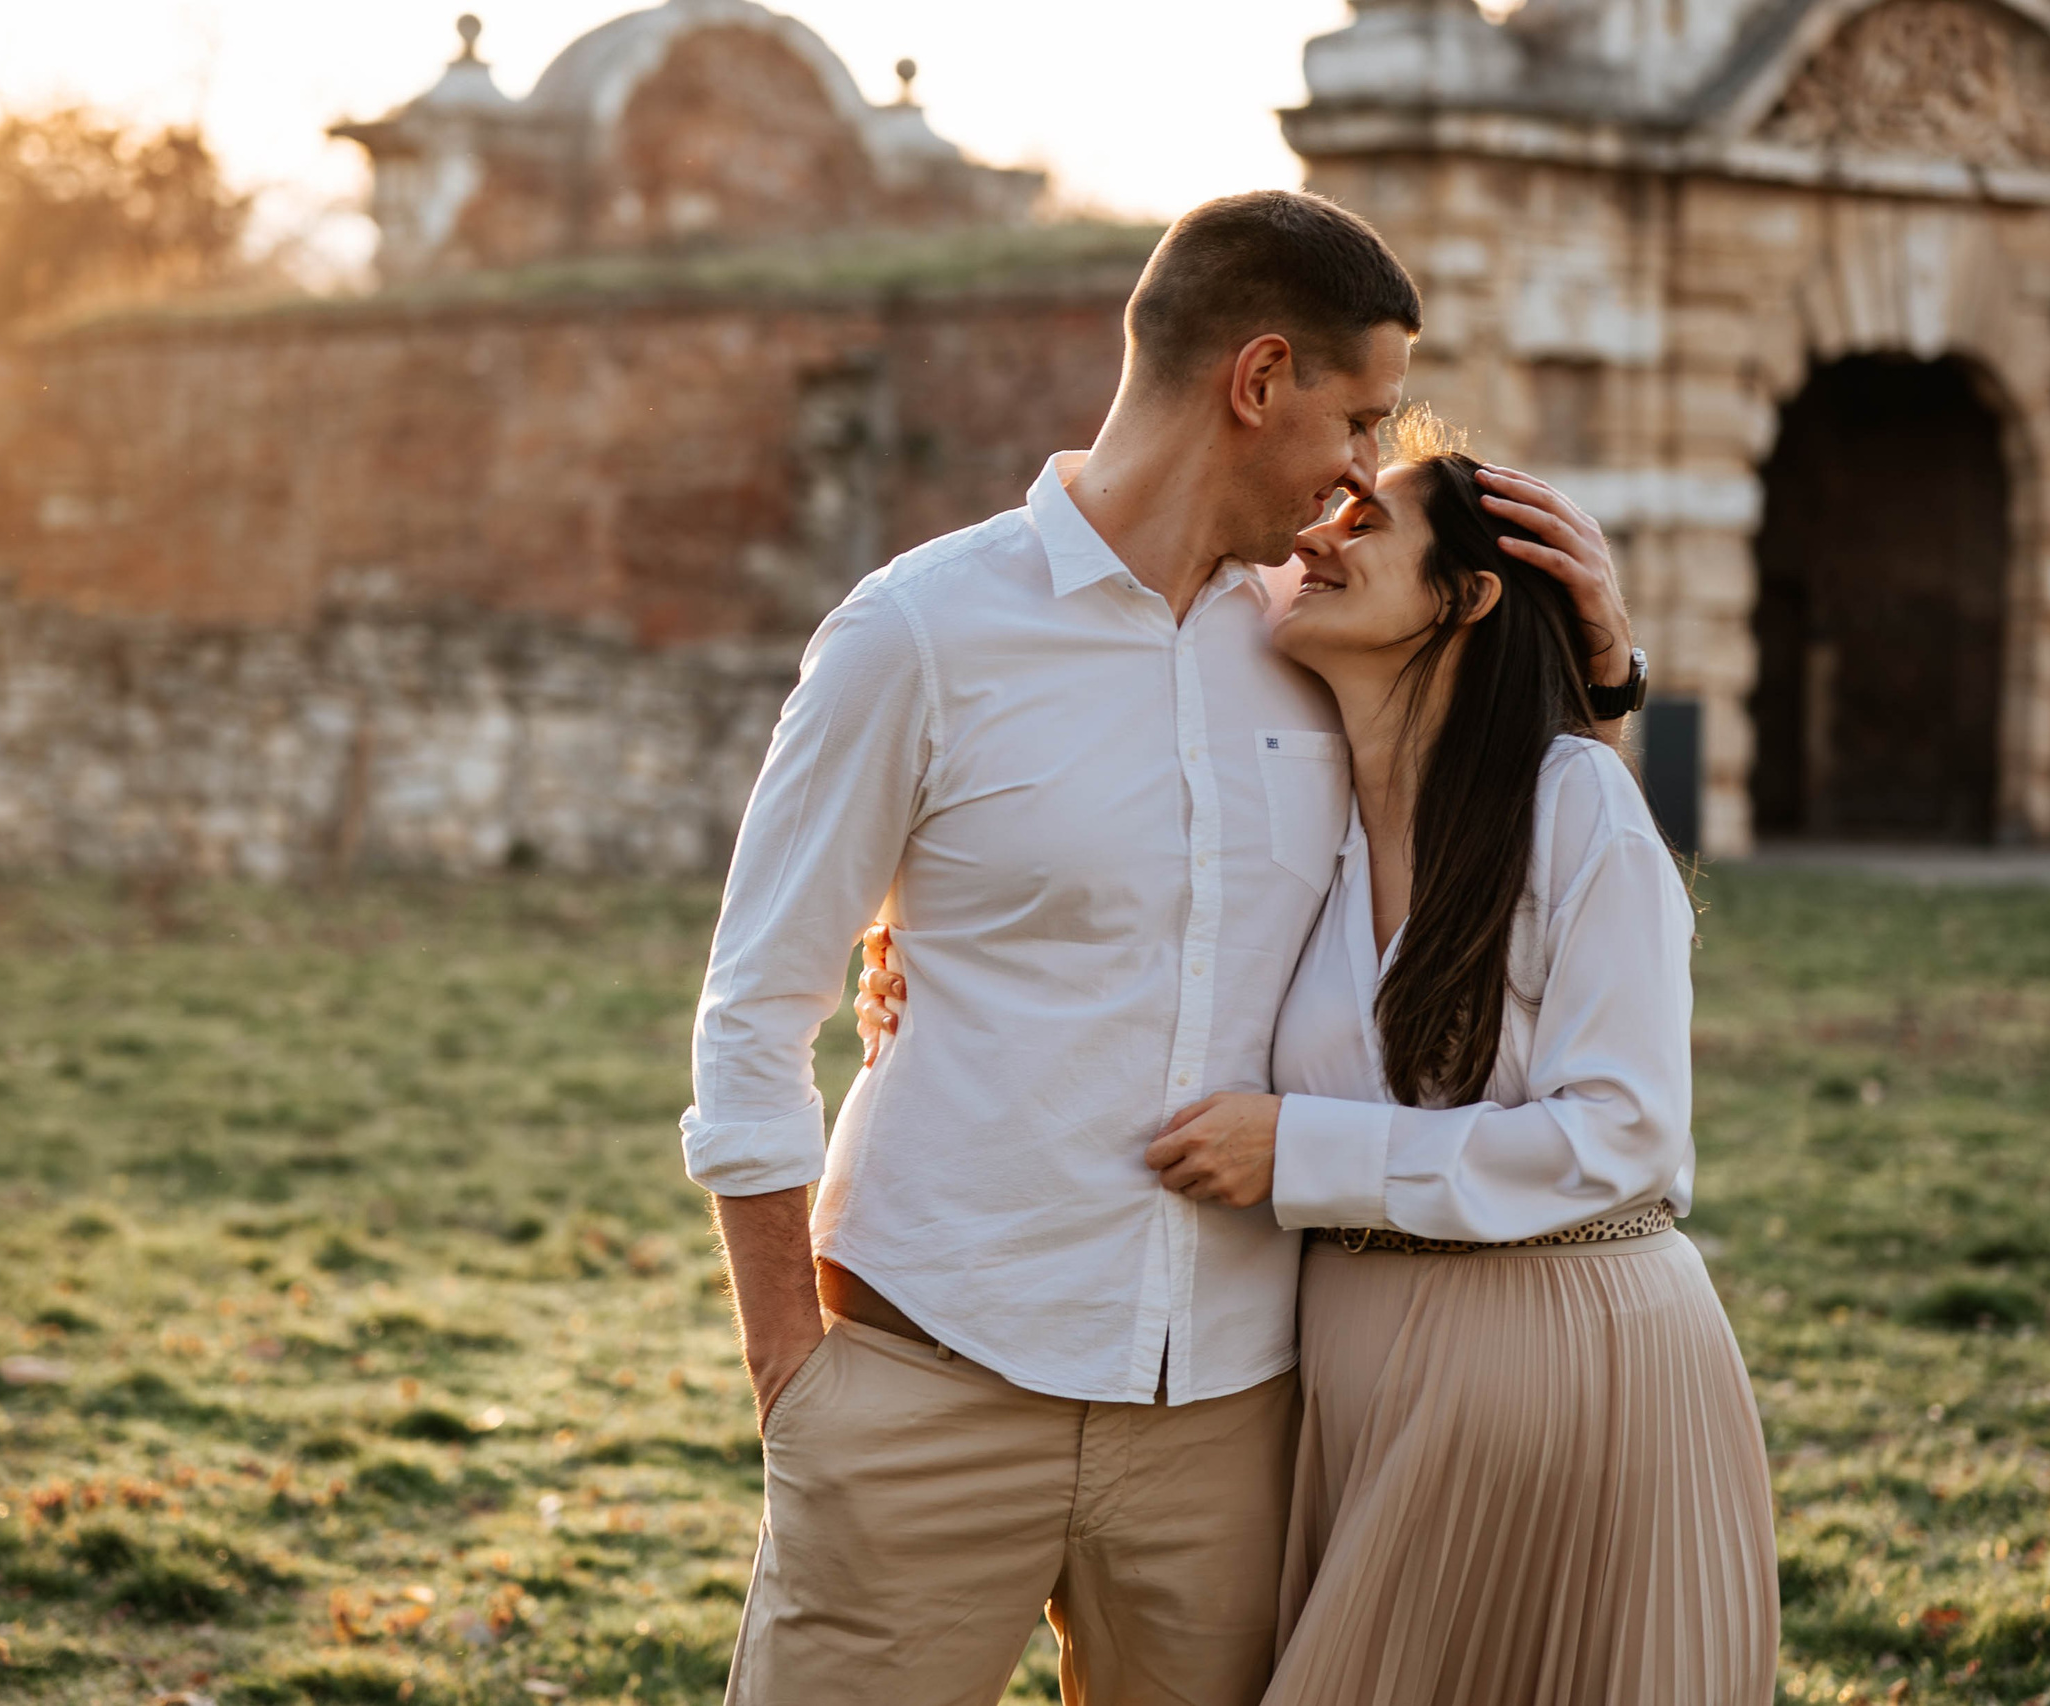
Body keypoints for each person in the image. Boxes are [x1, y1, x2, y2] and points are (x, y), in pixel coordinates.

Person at [680, 190, 1637, 1706]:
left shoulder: (1323, 638)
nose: (1367, 472)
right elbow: (750, 1013)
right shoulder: (917, 634)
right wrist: (797, 1380)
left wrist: (1607, 661)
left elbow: (1530, 836)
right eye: (1362, 419)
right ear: (1260, 382)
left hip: (1230, 1415)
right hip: (930, 1376)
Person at [873, 410, 1779, 1702]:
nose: (1320, 533)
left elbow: (1625, 1133)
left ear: (1463, 597)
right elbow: (1095, 737)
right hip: (1354, 1386)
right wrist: (919, 931)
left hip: (1575, 1370)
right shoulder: (1308, 802)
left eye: (1368, 522)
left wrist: (1299, 1147)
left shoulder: (1573, 803)